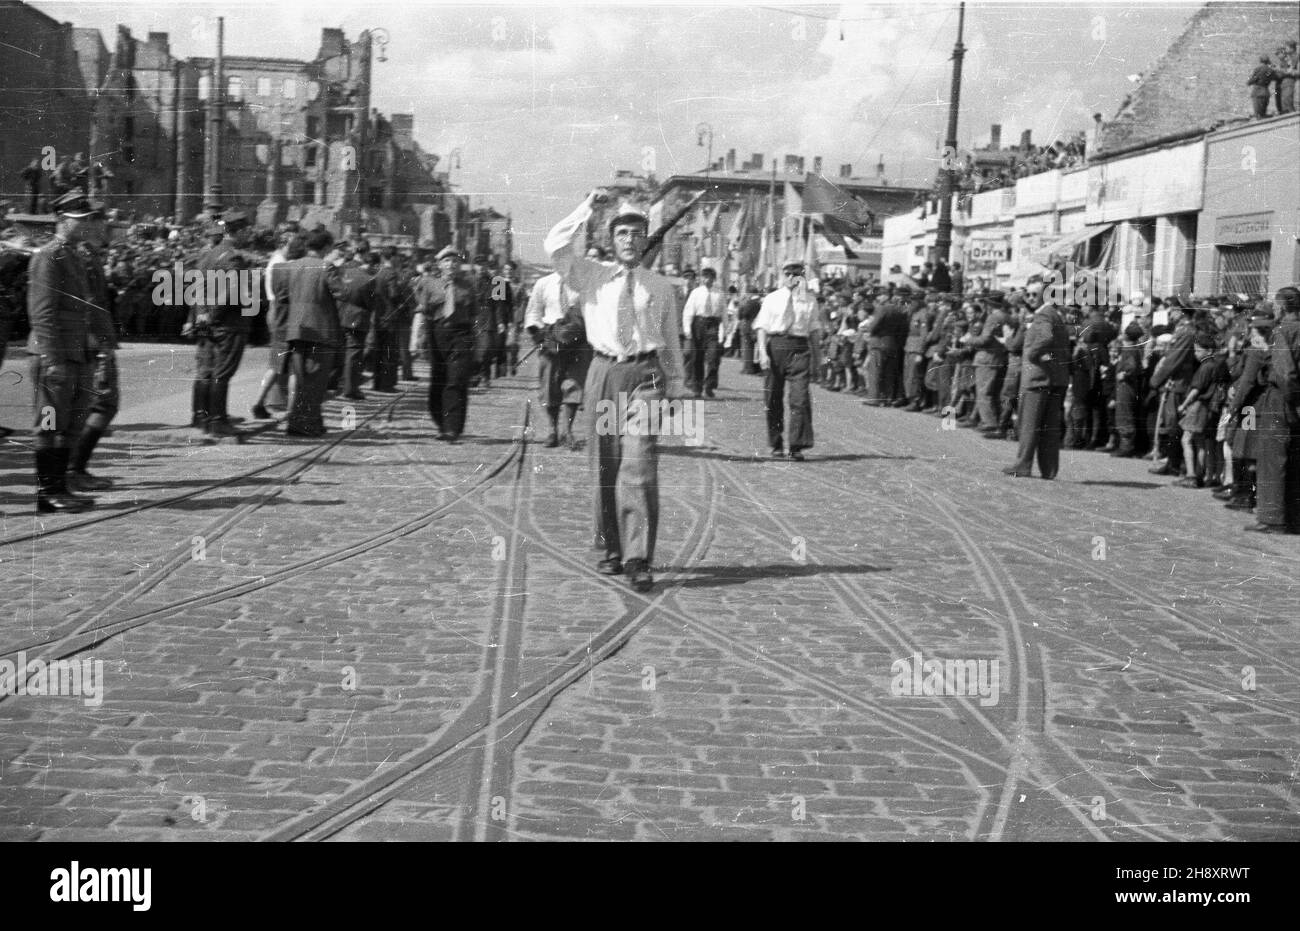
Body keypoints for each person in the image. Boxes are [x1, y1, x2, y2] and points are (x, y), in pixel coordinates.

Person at [545, 191, 687, 593]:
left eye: (636, 233)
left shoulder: (659, 287)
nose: (629, 239)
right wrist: (588, 206)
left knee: (638, 465)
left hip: (645, 378)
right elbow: (554, 243)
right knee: (606, 467)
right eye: (621, 232)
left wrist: (677, 384)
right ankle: (610, 546)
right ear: (610, 239)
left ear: (645, 240)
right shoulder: (589, 275)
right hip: (604, 375)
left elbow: (671, 340)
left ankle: (637, 557)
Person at [27, 190, 106, 512]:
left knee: (71, 424)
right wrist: (54, 359)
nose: (86, 225)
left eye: (87, 220)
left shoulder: (73, 254)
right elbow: (43, 313)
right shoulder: (48, 256)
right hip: (56, 356)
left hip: (78, 354)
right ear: (61, 220)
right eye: (79, 220)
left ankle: (61, 487)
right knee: (49, 425)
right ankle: (47, 493)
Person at [188, 209, 253, 437]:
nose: (249, 234)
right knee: (221, 372)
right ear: (240, 231)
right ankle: (218, 421)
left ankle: (201, 417)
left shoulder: (208, 254)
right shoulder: (233, 257)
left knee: (206, 370)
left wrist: (201, 315)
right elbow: (232, 290)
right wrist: (213, 315)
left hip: (208, 322)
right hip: (228, 322)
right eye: (247, 230)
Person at [275, 226, 343, 437]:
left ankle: (304, 421)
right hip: (320, 330)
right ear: (325, 247)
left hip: (296, 329)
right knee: (316, 381)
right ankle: (305, 424)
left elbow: (283, 297)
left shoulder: (291, 266)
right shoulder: (327, 267)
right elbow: (343, 292)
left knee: (302, 378)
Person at [755, 260, 824, 460]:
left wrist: (818, 358)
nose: (793, 278)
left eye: (797, 274)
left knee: (800, 399)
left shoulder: (810, 300)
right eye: (789, 274)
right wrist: (763, 353)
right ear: (783, 276)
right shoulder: (772, 298)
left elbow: (814, 330)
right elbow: (762, 327)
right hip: (776, 346)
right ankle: (776, 444)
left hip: (800, 349)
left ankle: (796, 446)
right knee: (773, 398)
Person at [1003, 283, 1069, 479]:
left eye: (1035, 294)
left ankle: (1023, 464)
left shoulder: (1043, 314)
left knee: (1029, 423)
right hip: (1054, 378)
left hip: (1037, 378)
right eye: (1028, 295)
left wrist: (1032, 354)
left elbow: (1046, 337)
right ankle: (1049, 469)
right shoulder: (1054, 314)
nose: (1030, 298)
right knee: (1049, 427)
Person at [1248, 287, 1300, 533]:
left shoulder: (1283, 332)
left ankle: (1272, 517)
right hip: (1292, 399)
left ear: (1282, 307)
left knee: (1272, 457)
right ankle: (1291, 515)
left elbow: (1285, 373)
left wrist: (1292, 400)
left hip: (1281, 399)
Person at [525, 270, 590, 448]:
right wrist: (538, 335)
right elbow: (533, 313)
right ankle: (552, 429)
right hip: (550, 343)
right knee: (549, 387)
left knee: (574, 385)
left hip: (578, 342)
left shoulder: (584, 282)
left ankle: (567, 431)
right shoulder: (543, 283)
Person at [424, 245, 480, 442]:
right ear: (439, 264)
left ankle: (452, 428)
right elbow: (423, 314)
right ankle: (441, 423)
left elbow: (475, 317)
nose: (451, 264)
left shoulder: (469, 286)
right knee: (438, 380)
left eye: (455, 261)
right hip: (437, 334)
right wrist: (418, 339)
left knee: (455, 381)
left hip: (461, 335)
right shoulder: (429, 284)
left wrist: (479, 345)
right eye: (447, 261)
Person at [336, 244, 375, 401]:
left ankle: (335, 383)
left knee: (341, 350)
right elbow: (370, 303)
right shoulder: (368, 278)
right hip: (357, 319)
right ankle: (351, 389)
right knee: (354, 353)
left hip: (340, 315)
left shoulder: (344, 270)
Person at [682, 266, 725, 397]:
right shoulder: (696, 293)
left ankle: (710, 385)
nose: (707, 280)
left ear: (714, 279)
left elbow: (723, 314)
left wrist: (724, 332)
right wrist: (688, 329)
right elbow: (688, 312)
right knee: (697, 358)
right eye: (705, 277)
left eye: (710, 277)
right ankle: (697, 387)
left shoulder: (719, 294)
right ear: (701, 279)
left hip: (713, 325)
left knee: (713, 357)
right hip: (698, 324)